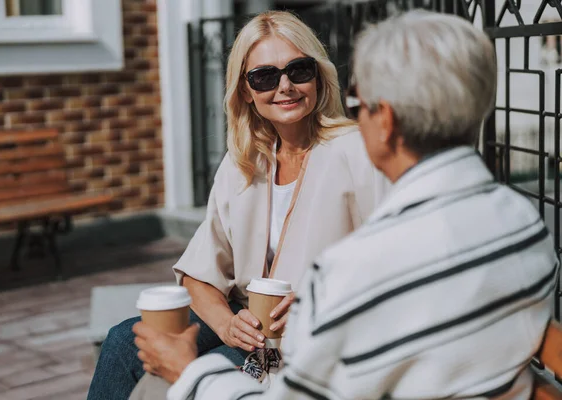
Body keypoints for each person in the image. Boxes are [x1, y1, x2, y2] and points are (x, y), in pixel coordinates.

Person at [128, 10, 559, 400]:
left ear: (384, 120)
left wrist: (189, 372)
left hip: (289, 360)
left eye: (358, 103)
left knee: (154, 383)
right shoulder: (524, 222)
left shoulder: (347, 277)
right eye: (263, 76)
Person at [87, 10, 389, 400]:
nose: (285, 87)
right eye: (264, 76)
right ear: (245, 90)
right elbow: (199, 272)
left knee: (184, 379)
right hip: (245, 322)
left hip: (310, 333)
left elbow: (393, 258)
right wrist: (228, 324)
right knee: (123, 343)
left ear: (318, 76)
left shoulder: (356, 151)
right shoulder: (245, 161)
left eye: (299, 70)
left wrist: (325, 295)